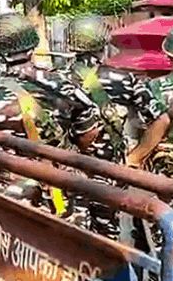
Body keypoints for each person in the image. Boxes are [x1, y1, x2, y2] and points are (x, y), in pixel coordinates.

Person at [0, 13, 99, 214]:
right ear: (32, 46)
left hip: (16, 191)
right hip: (63, 185)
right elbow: (89, 131)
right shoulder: (63, 84)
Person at [63, 15, 152, 239]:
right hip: (111, 171)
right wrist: (137, 155)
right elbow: (152, 115)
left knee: (71, 235)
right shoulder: (123, 79)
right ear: (103, 45)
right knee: (107, 235)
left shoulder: (58, 80)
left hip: (70, 170)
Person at [127, 24, 173, 263]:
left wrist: (134, 158)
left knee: (167, 241)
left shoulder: (156, 87)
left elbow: (155, 124)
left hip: (169, 177)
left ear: (168, 54)